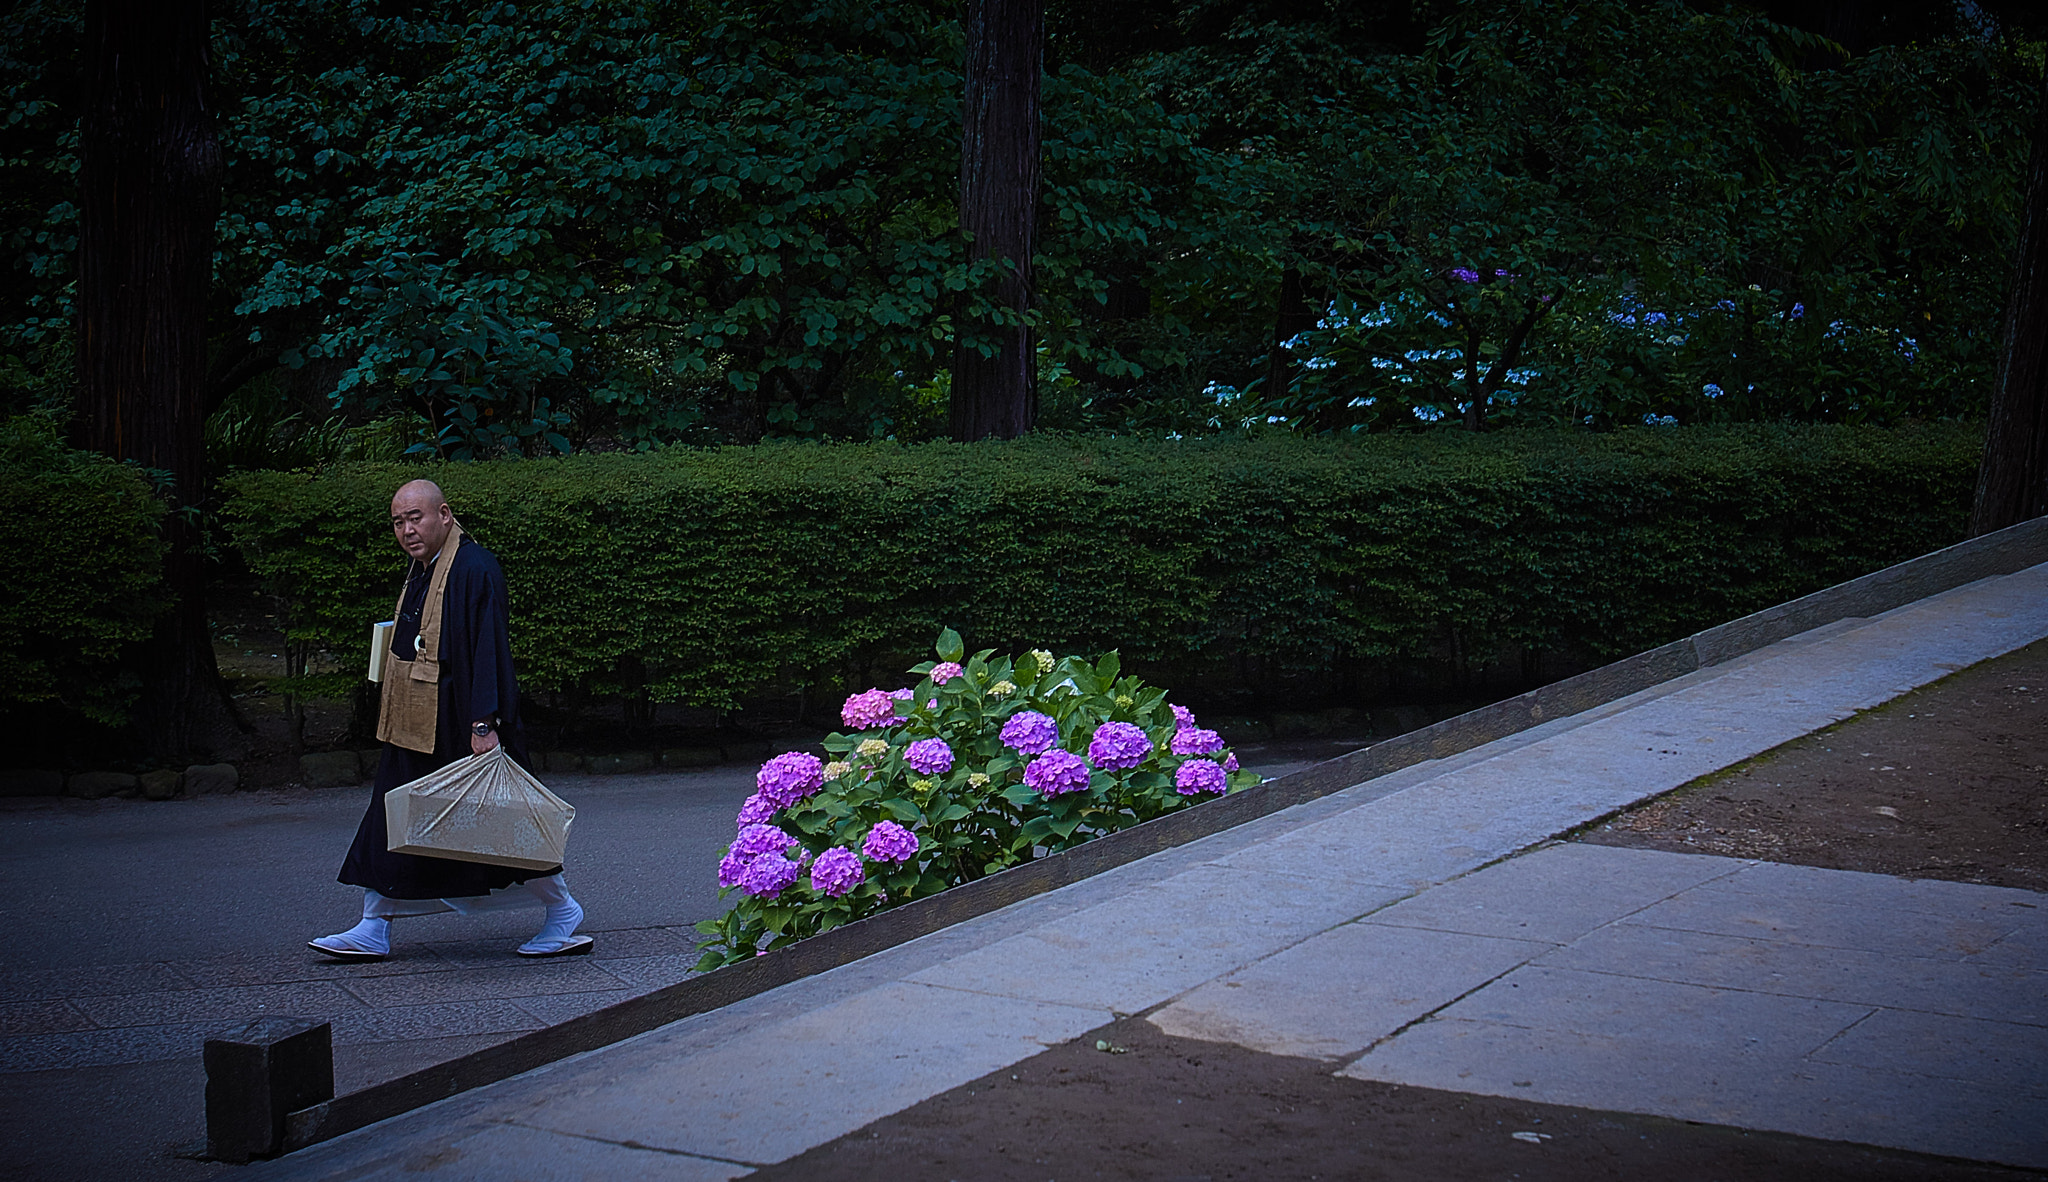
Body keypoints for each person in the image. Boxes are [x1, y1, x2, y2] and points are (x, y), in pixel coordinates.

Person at [310, 479, 592, 960]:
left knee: (502, 822)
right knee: (392, 814)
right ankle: (373, 923)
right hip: (416, 717)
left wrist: (485, 723)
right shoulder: (422, 569)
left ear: (444, 514)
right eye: (398, 522)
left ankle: (562, 911)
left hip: (463, 718)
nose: (407, 530)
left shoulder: (474, 566)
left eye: (415, 518)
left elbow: (490, 648)